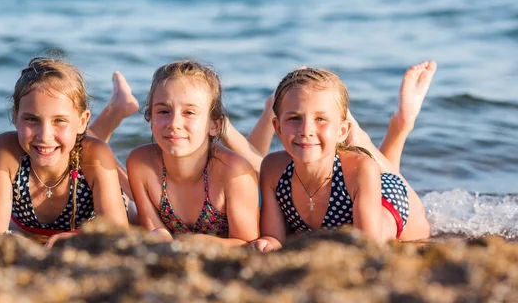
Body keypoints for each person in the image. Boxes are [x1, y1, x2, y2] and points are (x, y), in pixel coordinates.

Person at [252, 61, 437, 251]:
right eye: (294, 118)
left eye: (320, 119)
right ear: (277, 127)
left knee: (409, 231)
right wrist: (266, 244)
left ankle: (399, 124)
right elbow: (274, 237)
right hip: (359, 188)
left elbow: (368, 247)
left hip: (390, 202)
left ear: (342, 131)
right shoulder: (273, 169)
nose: (305, 130)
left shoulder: (360, 170)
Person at [90, 60, 260, 245]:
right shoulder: (139, 162)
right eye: (163, 111)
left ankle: (269, 111)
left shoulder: (233, 173)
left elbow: (247, 243)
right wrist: (160, 236)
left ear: (214, 125)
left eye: (189, 112)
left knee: (260, 169)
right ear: (150, 119)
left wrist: (197, 242)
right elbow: (153, 232)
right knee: (99, 162)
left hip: (251, 190)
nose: (174, 123)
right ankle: (118, 107)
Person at [0, 57, 129, 246]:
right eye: (32, 119)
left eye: (59, 120)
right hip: (73, 148)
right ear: (15, 116)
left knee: (133, 206)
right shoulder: (6, 150)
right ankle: (117, 107)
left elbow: (118, 235)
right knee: (70, 143)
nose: (44, 134)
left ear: (83, 121)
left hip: (100, 176)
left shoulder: (95, 155)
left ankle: (118, 107)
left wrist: (79, 239)